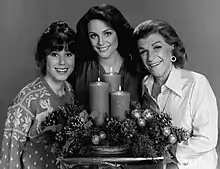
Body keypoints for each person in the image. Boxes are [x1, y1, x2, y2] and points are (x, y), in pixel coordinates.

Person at [133, 20, 218, 169]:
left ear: (172, 48)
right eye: (143, 51)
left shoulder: (196, 83)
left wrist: (173, 157)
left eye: (157, 47)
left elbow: (207, 139)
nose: (150, 58)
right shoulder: (143, 85)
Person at [0, 20, 77, 169]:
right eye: (55, 54)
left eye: (68, 54)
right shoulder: (27, 99)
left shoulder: (70, 92)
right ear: (44, 58)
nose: (62, 62)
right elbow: (10, 154)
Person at [68, 4, 143, 111]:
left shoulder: (137, 69)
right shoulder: (79, 70)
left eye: (107, 34)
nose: (101, 42)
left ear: (118, 33)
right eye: (94, 36)